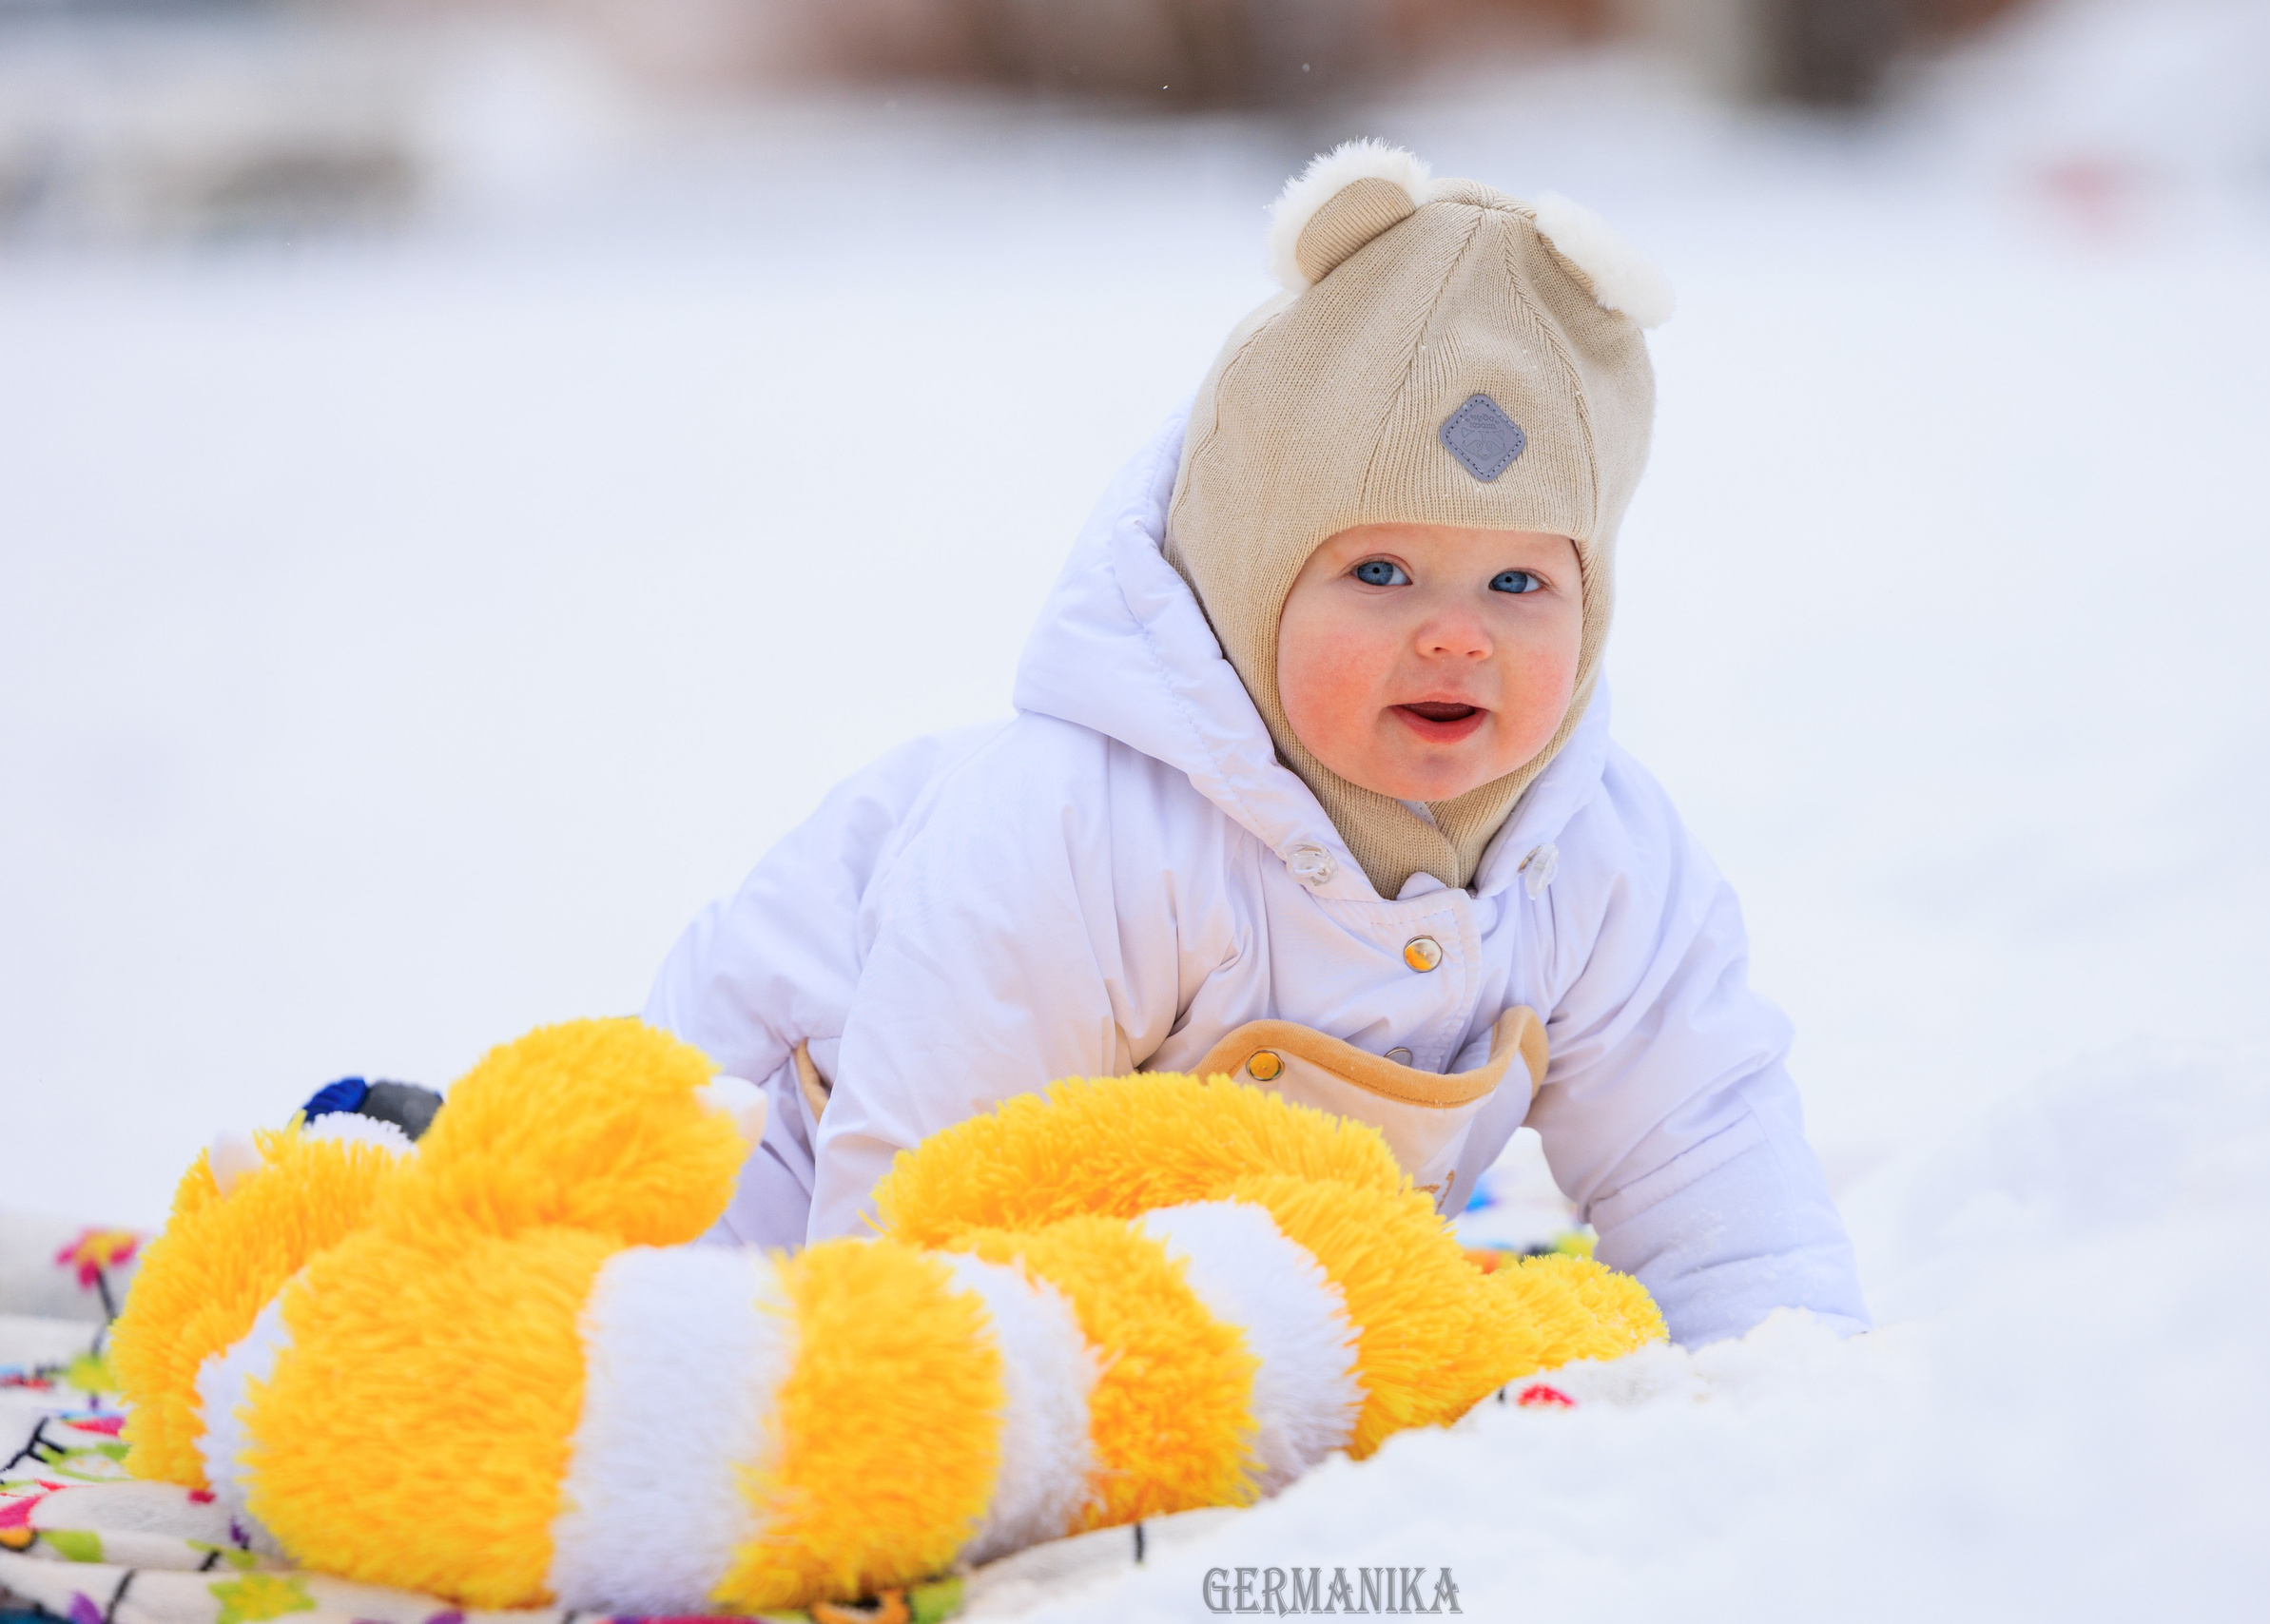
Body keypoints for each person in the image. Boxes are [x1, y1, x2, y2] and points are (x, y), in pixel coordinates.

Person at [644, 142, 1867, 1346]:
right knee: (661, 1349)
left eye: (1517, 580)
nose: (1455, 636)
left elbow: (1693, 1135)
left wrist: (1775, 1348)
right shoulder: (1084, 830)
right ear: (1247, 580)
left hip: (1164, 1292)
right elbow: (926, 1173)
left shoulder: (1597, 855)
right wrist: (906, 1405)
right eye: (1378, 571)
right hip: (780, 1205)